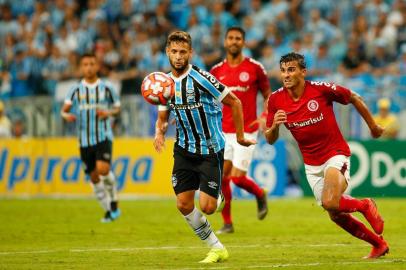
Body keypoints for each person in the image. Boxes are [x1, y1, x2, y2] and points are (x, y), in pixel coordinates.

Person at [264, 52, 389, 259]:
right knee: (335, 214)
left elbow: (354, 98)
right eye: (284, 70)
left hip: (335, 154)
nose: (286, 75)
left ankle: (365, 205)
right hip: (312, 166)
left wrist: (373, 126)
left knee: (331, 201)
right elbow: (269, 138)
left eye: (291, 69)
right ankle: (378, 244)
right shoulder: (275, 100)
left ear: (303, 72)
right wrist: (275, 126)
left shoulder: (320, 90)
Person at [154, 31, 255, 263]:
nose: (178, 56)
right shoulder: (164, 85)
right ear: (167, 52)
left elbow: (235, 101)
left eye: (183, 52)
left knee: (208, 207)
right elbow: (162, 115)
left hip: (210, 150)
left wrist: (239, 136)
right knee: (183, 203)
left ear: (191, 53)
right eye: (174, 51)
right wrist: (159, 132)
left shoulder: (201, 78)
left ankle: (217, 196)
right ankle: (216, 247)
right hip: (183, 150)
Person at [210, 26, 271, 234]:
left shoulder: (255, 68)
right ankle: (227, 223)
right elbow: (205, 98)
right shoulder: (216, 71)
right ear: (225, 42)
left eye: (238, 38)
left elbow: (268, 94)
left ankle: (260, 193)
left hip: (247, 131)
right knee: (223, 178)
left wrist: (264, 116)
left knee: (237, 177)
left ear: (243, 42)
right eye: (230, 38)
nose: (234, 41)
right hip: (223, 131)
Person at [61, 53, 121, 223]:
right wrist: (65, 116)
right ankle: (109, 210)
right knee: (94, 178)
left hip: (103, 136)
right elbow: (64, 110)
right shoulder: (75, 89)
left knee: (103, 170)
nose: (88, 67)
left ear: (97, 66)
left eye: (92, 64)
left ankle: (114, 201)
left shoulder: (107, 87)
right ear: (81, 67)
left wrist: (107, 113)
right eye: (85, 64)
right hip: (84, 140)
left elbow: (117, 108)